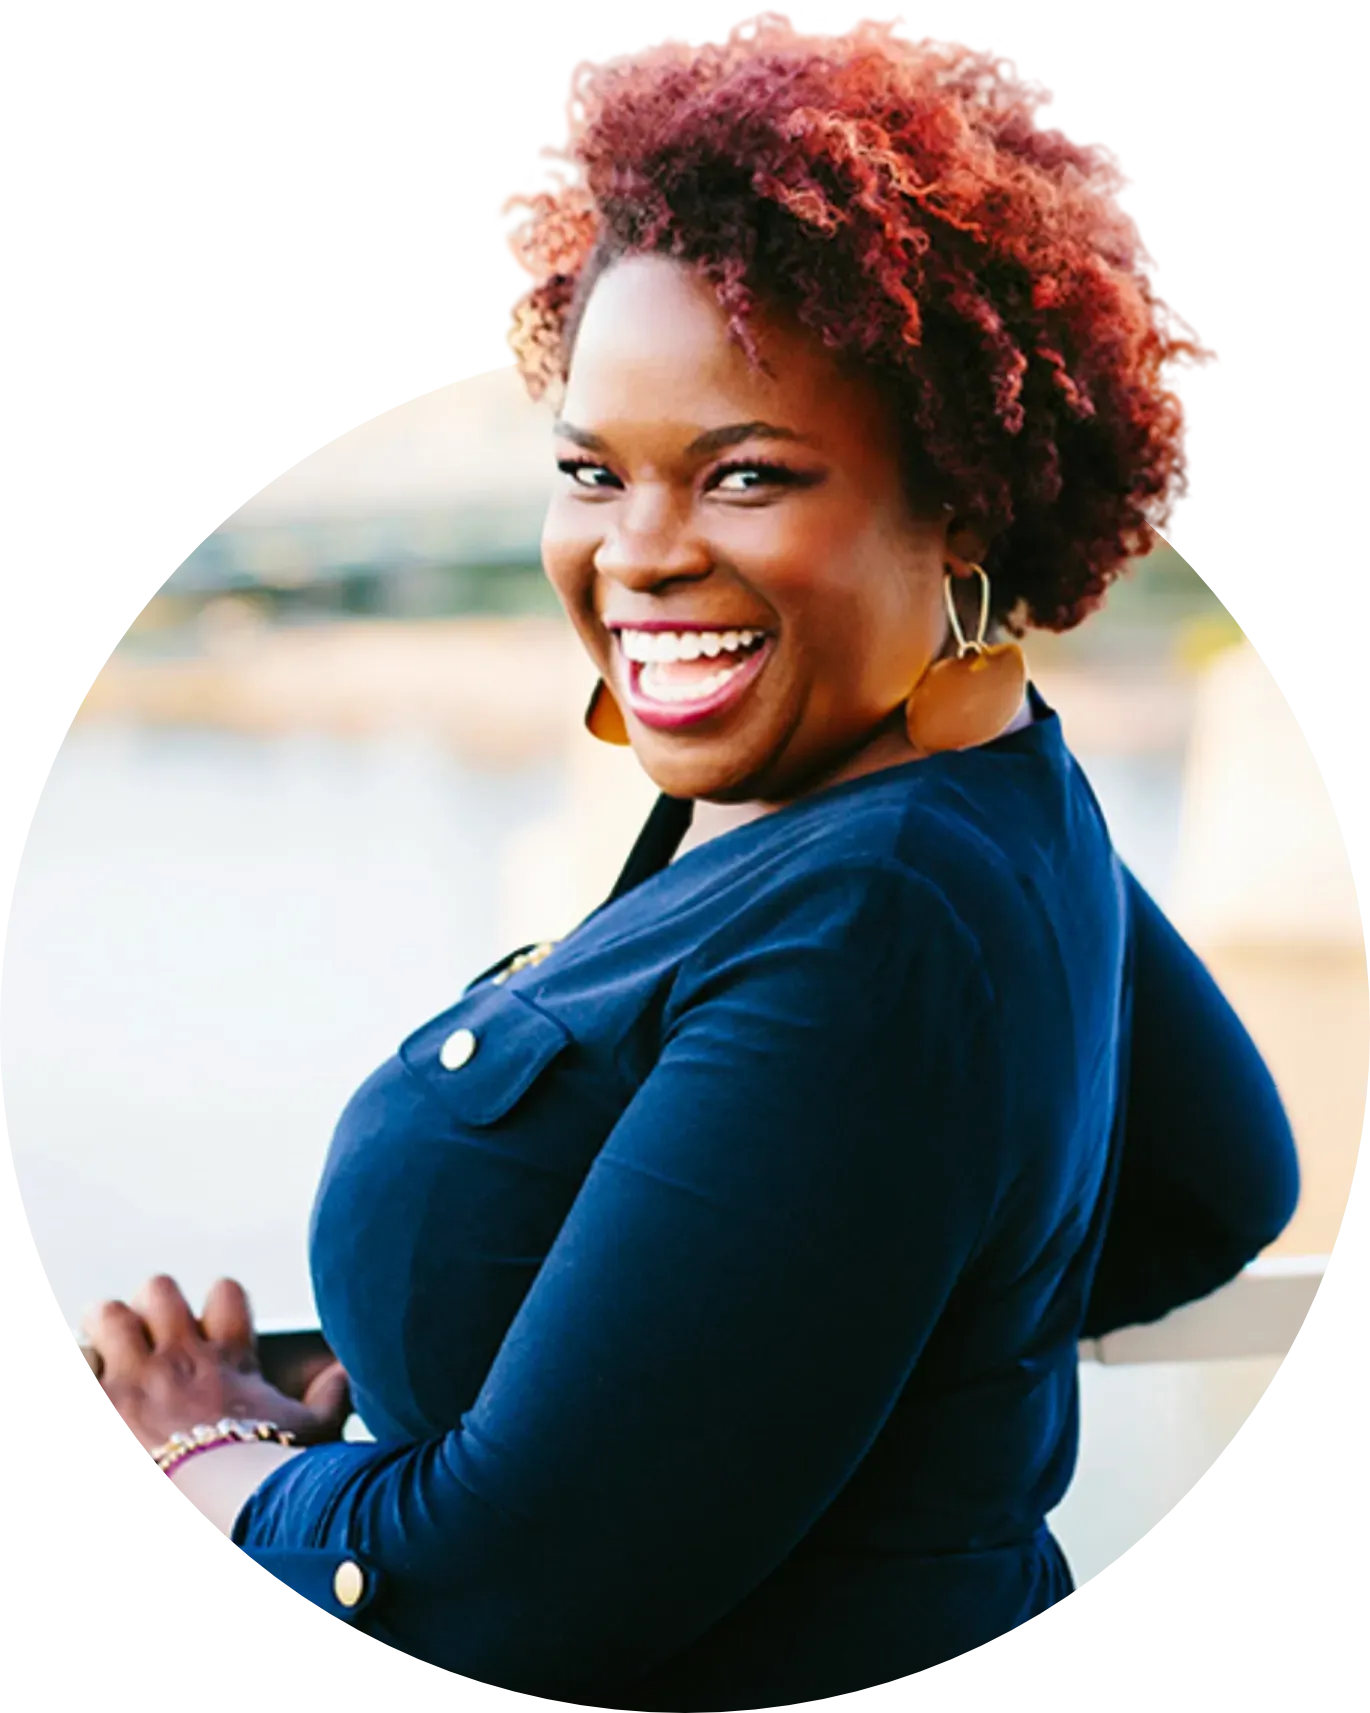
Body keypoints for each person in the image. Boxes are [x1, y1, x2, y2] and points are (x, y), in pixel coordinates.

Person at [80, 17, 1300, 1710]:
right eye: (592, 471)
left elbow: (498, 1594)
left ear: (957, 504)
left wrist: (205, 1450)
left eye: (744, 476)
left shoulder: (875, 909)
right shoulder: (968, 775)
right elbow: (1212, 1184)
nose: (638, 554)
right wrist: (788, 1355)